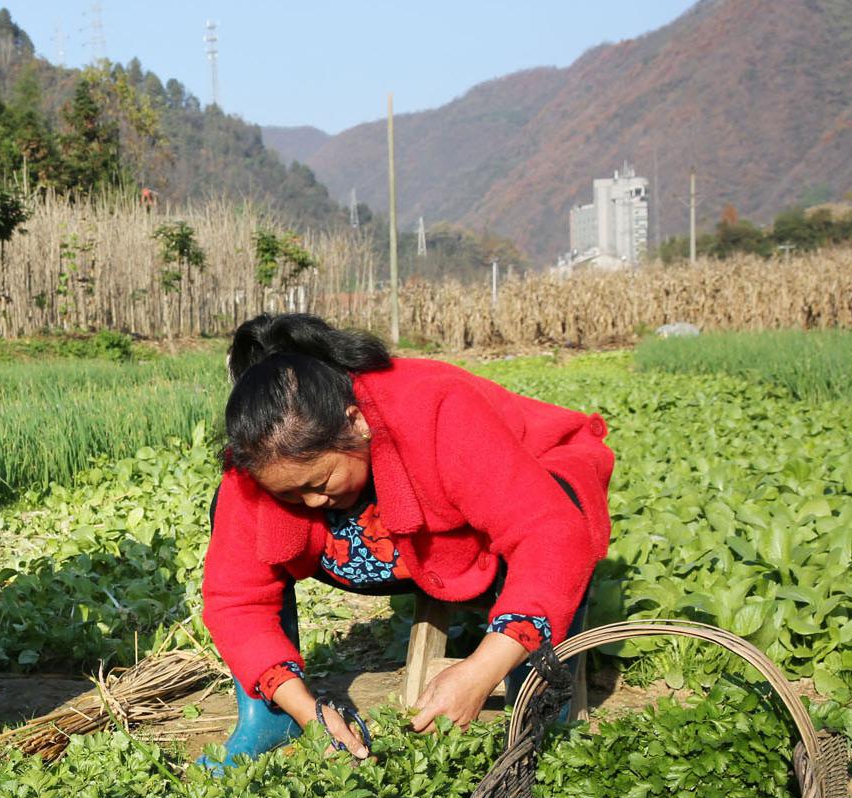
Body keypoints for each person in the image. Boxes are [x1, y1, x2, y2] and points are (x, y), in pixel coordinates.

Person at [200, 314, 614, 763]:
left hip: (519, 493)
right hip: (394, 545)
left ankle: (538, 708)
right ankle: (271, 717)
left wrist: (479, 671)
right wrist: (307, 711)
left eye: (320, 482)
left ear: (355, 423)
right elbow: (237, 599)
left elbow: (549, 533)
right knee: (230, 512)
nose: (313, 502)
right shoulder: (263, 457)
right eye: (291, 494)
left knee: (560, 510)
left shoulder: (434, 407)